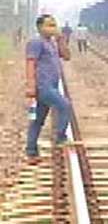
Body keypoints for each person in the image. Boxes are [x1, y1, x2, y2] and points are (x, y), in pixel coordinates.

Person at [25, 14, 72, 159]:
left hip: (52, 84)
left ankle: (31, 150)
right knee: (64, 105)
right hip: (43, 86)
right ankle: (60, 137)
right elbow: (30, 63)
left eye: (54, 24)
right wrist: (31, 86)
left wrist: (60, 39)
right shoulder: (35, 42)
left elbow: (66, 56)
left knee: (38, 120)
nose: (53, 28)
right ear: (40, 27)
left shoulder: (51, 42)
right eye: (49, 25)